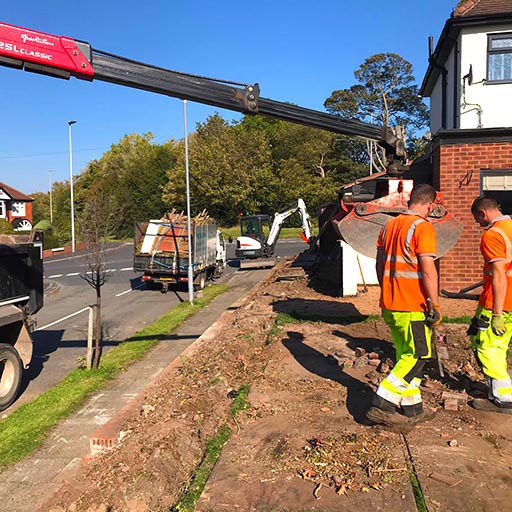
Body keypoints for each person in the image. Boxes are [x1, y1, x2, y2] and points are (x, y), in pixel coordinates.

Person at [366, 183, 441, 427]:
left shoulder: (389, 226)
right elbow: (428, 270)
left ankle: (413, 409)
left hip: (390, 303)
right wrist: (434, 303)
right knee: (419, 355)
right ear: (429, 205)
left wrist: (387, 288)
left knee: (405, 354)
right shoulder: (423, 227)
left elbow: (379, 265)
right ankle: (382, 404)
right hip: (412, 305)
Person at [468, 195, 512, 413]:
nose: (477, 223)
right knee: (499, 344)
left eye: (477, 219)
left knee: (489, 347)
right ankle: (495, 389)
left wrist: (496, 312)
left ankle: (503, 398)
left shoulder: (493, 235)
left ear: (483, 213)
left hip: (499, 302)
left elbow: (498, 275)